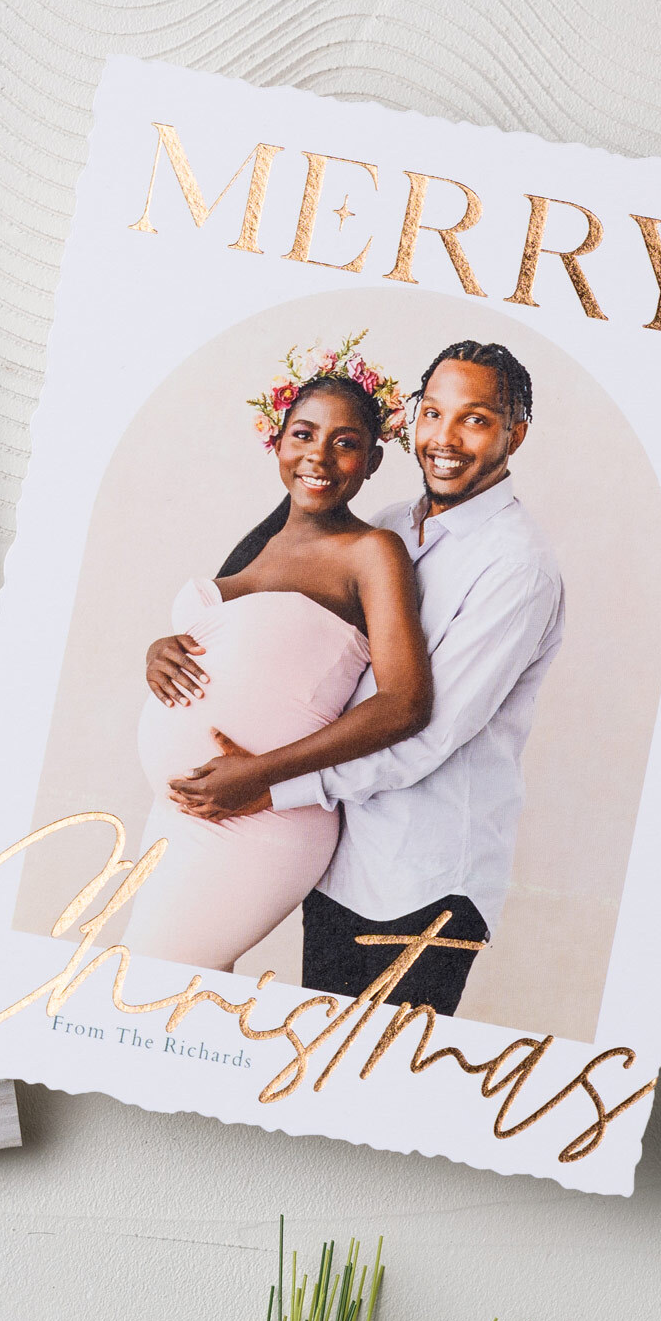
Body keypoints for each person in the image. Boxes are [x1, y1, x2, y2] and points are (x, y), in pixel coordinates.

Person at [165, 341, 565, 1016]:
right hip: (339, 861)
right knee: (316, 1069)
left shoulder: (516, 569)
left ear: (515, 432)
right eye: (432, 412)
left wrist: (268, 783)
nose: (444, 438)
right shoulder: (387, 527)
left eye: (474, 419)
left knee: (373, 1085)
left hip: (422, 883)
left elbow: (425, 730)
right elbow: (267, 609)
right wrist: (177, 638)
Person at [126, 355, 432, 969]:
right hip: (182, 810)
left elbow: (406, 703)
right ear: (278, 439)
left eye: (346, 443)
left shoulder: (372, 551)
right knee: (176, 998)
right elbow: (225, 638)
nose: (319, 455)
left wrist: (262, 773)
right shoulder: (259, 543)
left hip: (256, 819)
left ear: (372, 461)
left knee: (151, 984)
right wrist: (158, 651)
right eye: (304, 434)